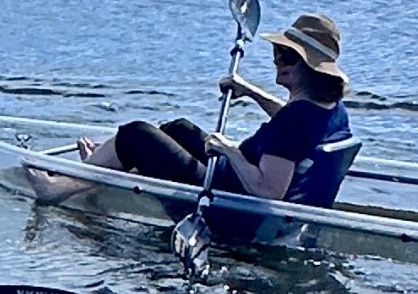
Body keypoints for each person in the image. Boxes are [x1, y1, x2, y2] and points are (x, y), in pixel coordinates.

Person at [81, 13, 352, 202]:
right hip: (231, 178)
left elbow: (269, 190)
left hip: (226, 194)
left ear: (311, 69)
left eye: (289, 57)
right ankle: (103, 167)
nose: (278, 61)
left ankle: (65, 184)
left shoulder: (292, 122)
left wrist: (228, 150)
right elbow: (294, 129)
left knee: (136, 134)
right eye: (277, 53)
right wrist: (249, 91)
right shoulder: (330, 110)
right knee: (180, 128)